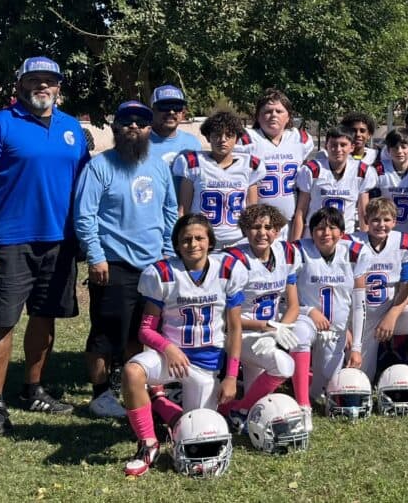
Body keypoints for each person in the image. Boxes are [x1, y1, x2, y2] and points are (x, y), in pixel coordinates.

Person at [0, 56, 90, 434]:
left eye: (48, 81)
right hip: (7, 241)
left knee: (45, 316)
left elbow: (85, 185)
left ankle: (33, 388)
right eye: (34, 80)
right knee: (3, 322)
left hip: (60, 241)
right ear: (19, 85)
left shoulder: (72, 130)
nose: (42, 87)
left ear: (59, 87)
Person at [74, 101, 178, 418]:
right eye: (127, 122)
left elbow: (170, 211)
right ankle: (100, 394)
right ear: (116, 127)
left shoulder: (159, 166)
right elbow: (84, 215)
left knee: (141, 332)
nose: (134, 127)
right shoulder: (100, 166)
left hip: (153, 265)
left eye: (142, 122)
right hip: (113, 264)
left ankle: (135, 389)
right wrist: (96, 256)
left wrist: (167, 254)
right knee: (106, 332)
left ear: (150, 129)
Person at [121, 214, 247, 475]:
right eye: (186, 239)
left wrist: (232, 376)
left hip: (207, 365)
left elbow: (235, 329)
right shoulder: (164, 273)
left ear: (210, 241)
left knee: (194, 436)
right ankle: (148, 443)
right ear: (177, 244)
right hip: (171, 357)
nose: (193, 244)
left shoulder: (227, 271)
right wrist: (168, 348)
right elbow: (145, 330)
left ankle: (159, 402)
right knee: (133, 372)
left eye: (199, 238)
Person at [219, 204, 315, 428]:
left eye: (268, 227)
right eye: (254, 227)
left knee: (260, 401)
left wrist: (278, 329)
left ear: (277, 231)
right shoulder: (235, 259)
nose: (262, 232)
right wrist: (266, 326)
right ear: (244, 230)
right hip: (237, 333)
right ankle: (238, 409)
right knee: (283, 365)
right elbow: (226, 316)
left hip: (266, 333)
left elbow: (293, 306)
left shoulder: (287, 253)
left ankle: (240, 407)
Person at [350, 198, 408, 386]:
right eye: (375, 220)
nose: (381, 225)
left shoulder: (403, 242)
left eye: (386, 220)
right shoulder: (352, 243)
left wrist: (393, 314)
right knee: (361, 379)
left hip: (390, 308)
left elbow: (407, 284)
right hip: (360, 318)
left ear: (394, 222)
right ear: (365, 220)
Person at [290, 206, 367, 407]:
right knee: (299, 334)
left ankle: (307, 388)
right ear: (311, 232)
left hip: (335, 329)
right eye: (320, 228)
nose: (326, 233)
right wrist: (308, 311)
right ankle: (301, 404)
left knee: (324, 389)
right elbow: (284, 295)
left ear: (342, 233)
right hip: (305, 318)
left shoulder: (354, 253)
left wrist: (356, 346)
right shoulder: (298, 251)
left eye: (332, 228)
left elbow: (359, 304)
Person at [175, 111, 263, 249]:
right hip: (201, 241)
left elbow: (252, 211)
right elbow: (183, 210)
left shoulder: (250, 165)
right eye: (217, 134)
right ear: (208, 137)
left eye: (229, 135)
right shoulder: (193, 163)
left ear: (237, 138)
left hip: (238, 240)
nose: (223, 139)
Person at [236, 88, 315, 239]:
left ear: (288, 117)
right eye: (267, 111)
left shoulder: (300, 139)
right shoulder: (247, 139)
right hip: (258, 224)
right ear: (258, 117)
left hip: (289, 224)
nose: (273, 115)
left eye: (279, 111)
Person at [291, 126, 376, 239]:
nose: (338, 149)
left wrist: (365, 240)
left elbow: (362, 212)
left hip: (344, 236)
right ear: (326, 146)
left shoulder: (361, 171)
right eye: (334, 145)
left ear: (352, 147)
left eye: (343, 145)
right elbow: (301, 211)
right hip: (314, 235)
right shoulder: (312, 169)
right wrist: (295, 244)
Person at [371, 130, 408, 236]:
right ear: (388, 150)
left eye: (403, 147)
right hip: (384, 232)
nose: (399, 151)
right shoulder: (379, 169)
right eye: (395, 147)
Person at [147, 85, 202, 172]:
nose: (171, 112)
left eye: (177, 107)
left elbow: (194, 174)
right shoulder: (139, 143)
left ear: (183, 112)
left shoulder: (192, 143)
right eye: (164, 106)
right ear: (152, 111)